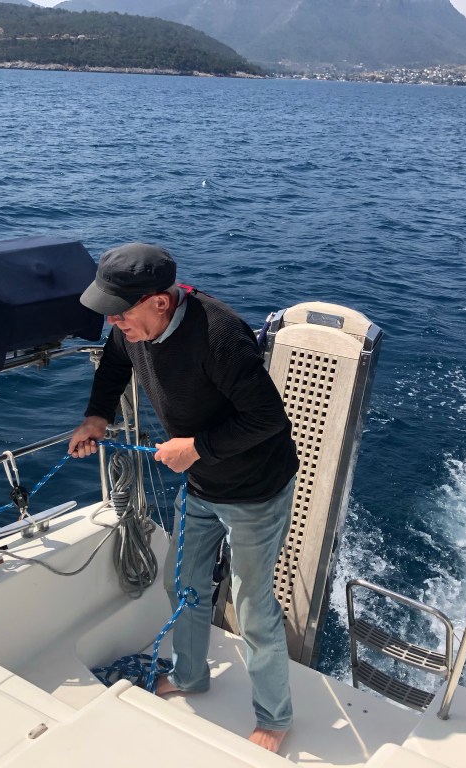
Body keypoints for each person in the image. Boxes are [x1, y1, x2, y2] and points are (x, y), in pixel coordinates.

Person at [67, 242, 299, 753]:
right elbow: (114, 362)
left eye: (120, 313)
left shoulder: (220, 335)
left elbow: (268, 418)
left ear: (160, 302)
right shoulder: (131, 329)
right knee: (183, 583)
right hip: (202, 485)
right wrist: (96, 416)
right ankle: (191, 675)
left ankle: (275, 716)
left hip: (255, 490)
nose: (113, 323)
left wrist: (195, 447)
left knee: (252, 607)